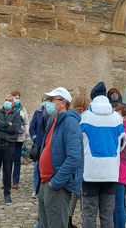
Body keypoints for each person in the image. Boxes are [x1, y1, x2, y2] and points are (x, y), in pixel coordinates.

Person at [80, 82, 126, 228]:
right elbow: (122, 143)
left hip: (90, 172)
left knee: (89, 215)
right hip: (110, 172)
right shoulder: (117, 118)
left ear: (92, 98)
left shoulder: (84, 117)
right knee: (107, 215)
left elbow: (79, 143)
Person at [37, 87, 83, 228]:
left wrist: (55, 183)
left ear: (63, 102)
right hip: (45, 181)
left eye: (52, 100)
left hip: (56, 185)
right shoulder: (53, 121)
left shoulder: (70, 123)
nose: (48, 103)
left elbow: (74, 158)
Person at [68, 92, 90, 228]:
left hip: (75, 160)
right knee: (82, 195)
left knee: (72, 194)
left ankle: (68, 220)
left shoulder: (73, 119)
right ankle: (82, 220)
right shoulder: (85, 119)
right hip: (84, 161)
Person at [11, 90, 30, 190]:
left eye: (18, 97)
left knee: (17, 160)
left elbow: (26, 122)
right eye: (15, 97)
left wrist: (26, 132)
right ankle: (6, 180)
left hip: (19, 139)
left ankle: (15, 181)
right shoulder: (8, 107)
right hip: (10, 138)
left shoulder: (23, 109)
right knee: (8, 160)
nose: (17, 99)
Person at [29, 99, 47, 198]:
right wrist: (35, 138)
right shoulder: (37, 113)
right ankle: (35, 189)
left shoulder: (52, 113)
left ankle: (44, 189)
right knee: (37, 168)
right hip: (39, 144)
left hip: (47, 145)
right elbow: (32, 127)